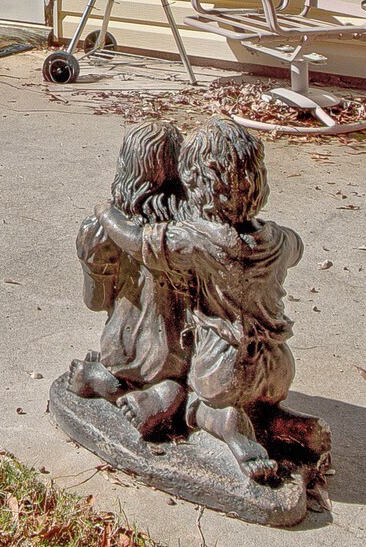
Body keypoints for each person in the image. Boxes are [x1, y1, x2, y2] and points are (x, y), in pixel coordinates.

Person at [97, 119, 302, 482]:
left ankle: (226, 425)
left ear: (196, 183)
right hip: (279, 362)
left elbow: (134, 238)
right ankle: (276, 418)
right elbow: (297, 250)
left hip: (224, 366)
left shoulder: (193, 241)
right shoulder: (280, 239)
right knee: (264, 399)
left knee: (204, 400)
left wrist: (106, 214)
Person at [68, 122, 188, 413]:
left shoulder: (105, 229)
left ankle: (110, 382)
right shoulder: (191, 229)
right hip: (189, 352)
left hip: (129, 347)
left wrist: (89, 259)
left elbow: (96, 301)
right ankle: (166, 395)